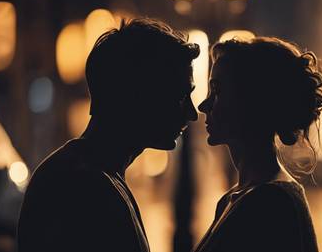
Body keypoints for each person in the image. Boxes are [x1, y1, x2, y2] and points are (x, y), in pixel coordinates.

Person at [17, 18, 200, 252]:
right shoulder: (87, 188)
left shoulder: (87, 175)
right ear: (140, 95)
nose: (191, 114)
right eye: (180, 97)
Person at [195, 37, 322, 252]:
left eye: (217, 91)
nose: (204, 105)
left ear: (251, 102)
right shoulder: (235, 198)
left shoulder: (271, 203)